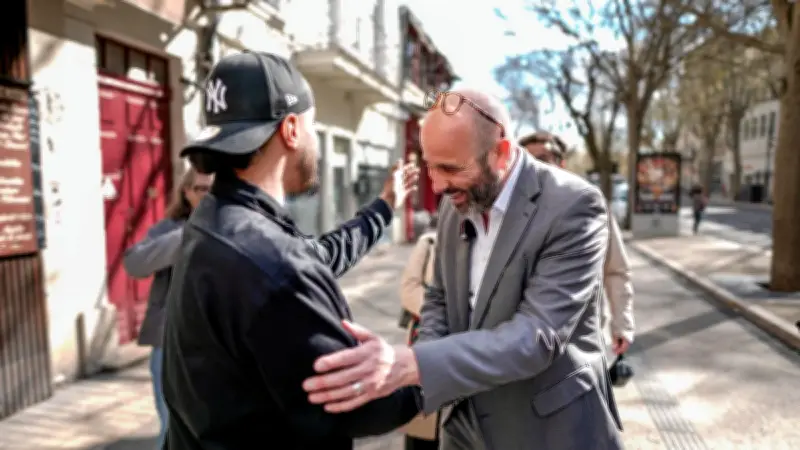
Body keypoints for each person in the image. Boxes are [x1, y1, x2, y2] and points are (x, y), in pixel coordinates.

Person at [303, 88, 624, 449]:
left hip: (550, 432)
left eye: (451, 168)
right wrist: (414, 376)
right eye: (430, 166)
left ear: (500, 153)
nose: (438, 185)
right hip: (463, 430)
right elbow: (439, 299)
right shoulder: (451, 204)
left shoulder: (574, 205)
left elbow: (537, 337)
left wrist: (413, 363)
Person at [161, 51, 421, 450]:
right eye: (315, 127)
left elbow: (317, 256)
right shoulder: (272, 262)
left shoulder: (216, 219)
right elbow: (357, 403)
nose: (315, 141)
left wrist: (384, 207)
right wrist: (430, 368)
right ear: (292, 129)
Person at [518, 131, 635, 356]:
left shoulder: (589, 205)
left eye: (542, 159)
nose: (533, 167)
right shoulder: (509, 211)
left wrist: (622, 324)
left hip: (583, 343)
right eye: (525, 160)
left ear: (560, 163)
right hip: (527, 346)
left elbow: (616, 270)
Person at [122, 168, 213, 448]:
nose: (208, 197)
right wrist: (189, 235)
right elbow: (134, 263)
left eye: (214, 190)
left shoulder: (236, 227)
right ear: (186, 192)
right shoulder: (170, 230)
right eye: (200, 189)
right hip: (170, 343)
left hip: (218, 345)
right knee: (171, 425)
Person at [399, 214, 439, 450]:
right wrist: (444, 313)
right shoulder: (429, 243)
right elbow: (409, 288)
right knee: (423, 427)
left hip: (466, 343)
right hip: (427, 340)